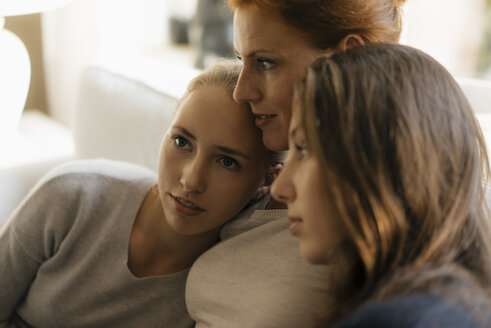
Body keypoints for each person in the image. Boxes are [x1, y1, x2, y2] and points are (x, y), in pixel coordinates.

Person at [0, 61, 278, 327]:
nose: (191, 180)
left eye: (227, 161)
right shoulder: (71, 195)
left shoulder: (224, 289)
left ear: (265, 182)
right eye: (182, 142)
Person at [185, 0, 407, 326]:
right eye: (239, 59)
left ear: (349, 58)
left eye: (265, 62)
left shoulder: (374, 224)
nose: (241, 91)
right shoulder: (252, 167)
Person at [271, 43, 491, 327]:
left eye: (302, 149)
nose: (280, 189)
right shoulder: (458, 302)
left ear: (383, 158)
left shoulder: (401, 318)